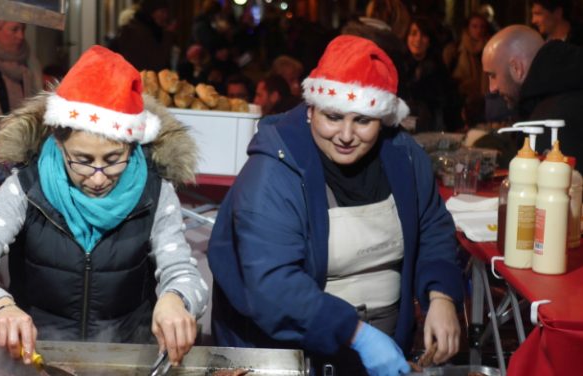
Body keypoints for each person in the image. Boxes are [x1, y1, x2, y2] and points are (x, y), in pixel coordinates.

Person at [208, 35, 463, 376]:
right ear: (311, 109)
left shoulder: (404, 156)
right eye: (333, 116)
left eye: (362, 120)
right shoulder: (273, 172)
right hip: (289, 356)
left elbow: (433, 226)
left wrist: (442, 296)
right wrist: (357, 334)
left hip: (382, 351)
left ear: (383, 119)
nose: (345, 135)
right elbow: (274, 285)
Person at [0, 46, 208, 366]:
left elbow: (185, 273)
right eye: (83, 161)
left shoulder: (156, 194)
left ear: (133, 146)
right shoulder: (25, 188)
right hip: (38, 359)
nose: (98, 177)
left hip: (125, 359)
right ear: (59, 143)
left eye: (114, 160)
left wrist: (176, 299)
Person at [482, 24, 583, 172]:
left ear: (517, 68)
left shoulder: (549, 120)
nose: (492, 88)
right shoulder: (564, 89)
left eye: (493, 75)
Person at [404, 16, 463, 132]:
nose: (418, 39)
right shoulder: (399, 65)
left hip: (431, 128)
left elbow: (450, 102)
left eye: (423, 35)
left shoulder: (438, 68)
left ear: (430, 40)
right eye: (413, 33)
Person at [111, 0, 176, 72]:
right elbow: (157, 64)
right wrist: (168, 35)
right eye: (162, 12)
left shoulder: (143, 28)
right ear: (152, 13)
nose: (165, 16)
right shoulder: (139, 32)